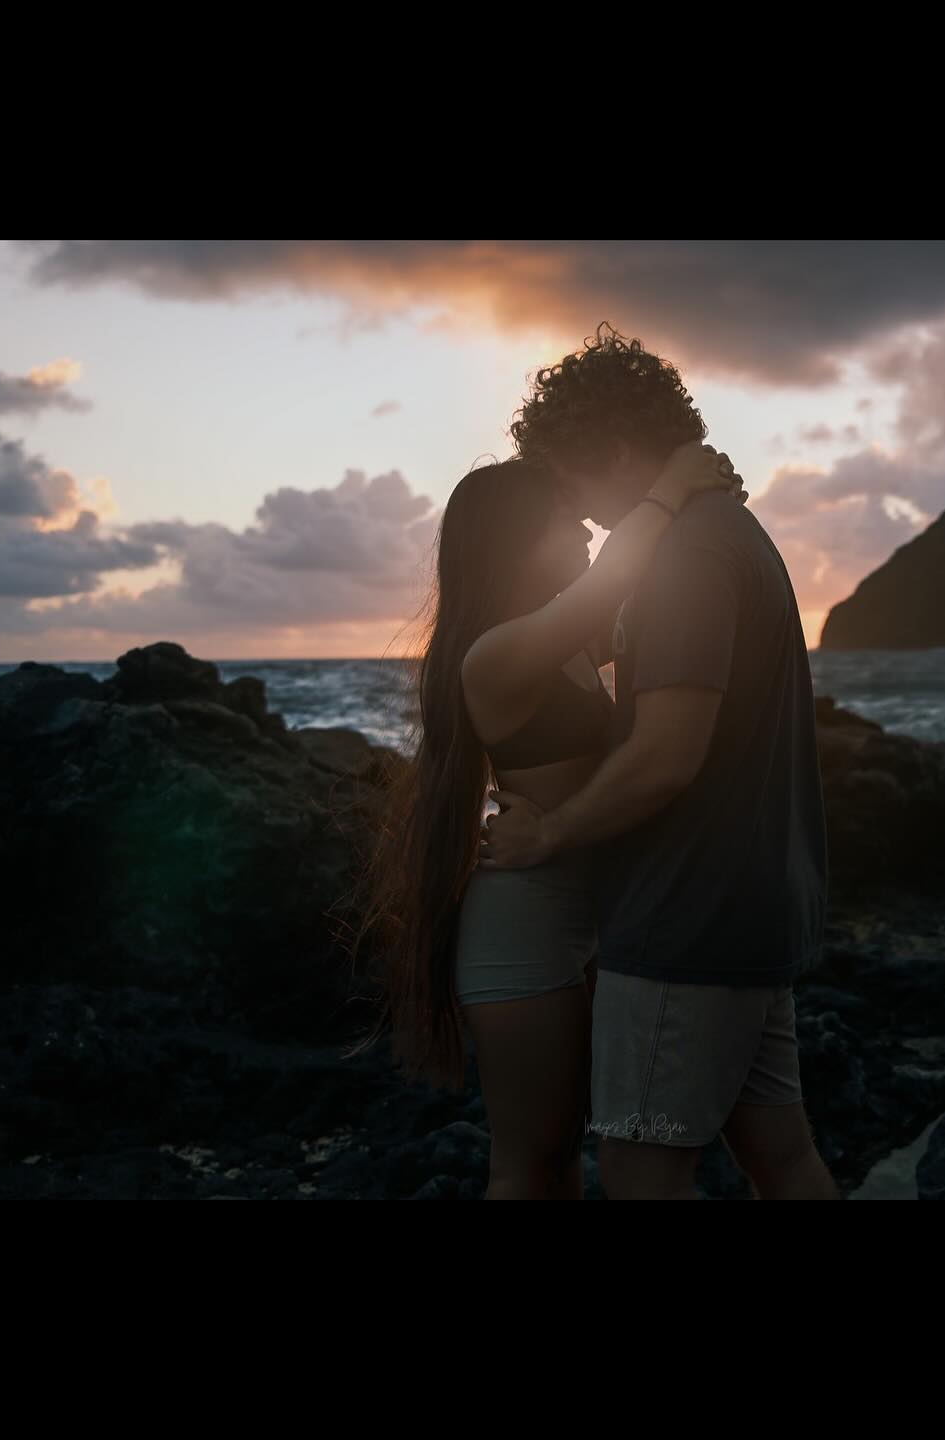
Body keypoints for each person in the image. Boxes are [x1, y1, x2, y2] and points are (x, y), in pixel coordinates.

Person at [481, 324, 839, 1200]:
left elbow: (666, 757)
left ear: (612, 447)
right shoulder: (725, 530)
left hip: (686, 916)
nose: (583, 513)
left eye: (572, 484)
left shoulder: (689, 554)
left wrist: (551, 833)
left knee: (642, 1171)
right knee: (783, 1160)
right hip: (755, 906)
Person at [340, 434, 744, 1199]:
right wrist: (671, 481)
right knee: (532, 1160)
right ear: (516, 543)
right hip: (521, 936)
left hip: (582, 915)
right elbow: (617, 578)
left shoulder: (562, 641)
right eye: (566, 519)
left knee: (563, 1155)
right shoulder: (495, 655)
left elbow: (644, 599)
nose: (586, 531)